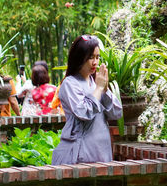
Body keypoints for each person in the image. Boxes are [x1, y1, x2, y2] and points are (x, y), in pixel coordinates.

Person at [52, 34, 122, 165]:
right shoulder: (69, 84)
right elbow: (84, 112)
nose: (95, 62)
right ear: (79, 58)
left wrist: (105, 90)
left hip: (102, 152)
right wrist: (99, 89)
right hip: (80, 154)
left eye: (97, 57)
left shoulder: (96, 82)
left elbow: (116, 114)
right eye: (90, 57)